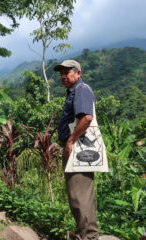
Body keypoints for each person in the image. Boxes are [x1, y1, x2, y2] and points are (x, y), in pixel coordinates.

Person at [54, 60, 98, 240]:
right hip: (77, 148)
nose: (64, 76)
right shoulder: (74, 91)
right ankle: (85, 234)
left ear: (78, 73)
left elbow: (86, 118)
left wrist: (71, 141)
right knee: (79, 194)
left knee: (79, 195)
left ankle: (87, 236)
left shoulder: (81, 89)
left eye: (68, 72)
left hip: (78, 148)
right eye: (61, 73)